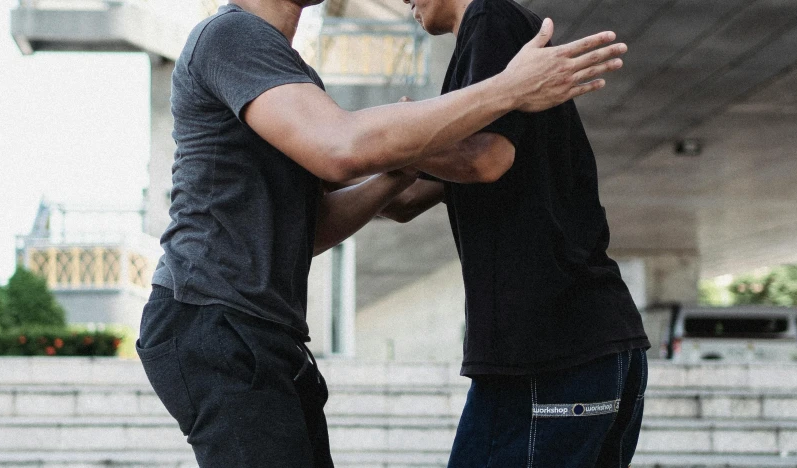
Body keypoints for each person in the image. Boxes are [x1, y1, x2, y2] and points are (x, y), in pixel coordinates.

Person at [135, 0, 629, 466]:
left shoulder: (292, 74)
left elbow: (310, 228)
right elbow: (341, 147)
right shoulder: (231, 34)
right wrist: (508, 88)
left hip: (262, 330)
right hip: (211, 318)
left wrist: (398, 168)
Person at [377, 0, 651, 466]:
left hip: (550, 353)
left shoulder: (489, 17)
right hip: (580, 349)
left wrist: (398, 135)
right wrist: (327, 160)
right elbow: (407, 200)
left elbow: (485, 159)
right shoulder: (478, 46)